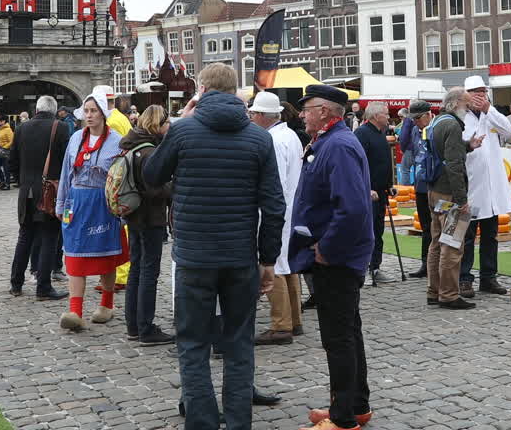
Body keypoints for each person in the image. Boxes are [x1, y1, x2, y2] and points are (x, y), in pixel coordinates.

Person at [143, 63, 284, 430]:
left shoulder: (183, 131)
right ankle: (238, 423)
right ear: (236, 92)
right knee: (239, 345)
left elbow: (152, 175)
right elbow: (273, 206)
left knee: (193, 344)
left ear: (201, 91)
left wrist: (174, 126)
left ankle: (203, 422)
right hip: (240, 257)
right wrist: (267, 259)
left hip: (194, 255)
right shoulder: (259, 138)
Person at [288, 85, 374, 430]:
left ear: (324, 111)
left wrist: (327, 248)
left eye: (307, 108)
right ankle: (355, 405)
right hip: (338, 255)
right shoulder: (330, 141)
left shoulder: (337, 145)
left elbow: (351, 208)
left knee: (338, 338)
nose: (303, 114)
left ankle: (343, 419)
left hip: (337, 259)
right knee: (348, 332)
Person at [55, 92, 127, 331]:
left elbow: (122, 178)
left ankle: (106, 305)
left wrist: (122, 210)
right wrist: (60, 203)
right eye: (86, 111)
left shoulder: (116, 141)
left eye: (94, 111)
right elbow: (66, 173)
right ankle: (75, 311)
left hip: (103, 204)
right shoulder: (76, 138)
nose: (89, 115)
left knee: (105, 257)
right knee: (74, 254)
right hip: (76, 202)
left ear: (103, 114)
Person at [117, 105, 176, 345]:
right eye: (166, 123)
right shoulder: (150, 151)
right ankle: (146, 328)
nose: (168, 126)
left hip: (133, 215)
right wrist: (173, 185)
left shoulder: (130, 144)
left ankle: (133, 325)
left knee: (136, 269)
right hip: (149, 217)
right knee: (149, 272)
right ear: (157, 124)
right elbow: (154, 190)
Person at [249, 92, 305, 345]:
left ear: (261, 116)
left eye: (253, 114)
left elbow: (276, 181)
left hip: (276, 209)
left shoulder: (272, 140)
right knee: (288, 262)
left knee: (274, 264)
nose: (250, 117)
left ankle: (280, 324)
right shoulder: (289, 135)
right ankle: (294, 319)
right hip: (291, 207)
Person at [425, 87, 482, 310]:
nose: (468, 110)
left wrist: (468, 146)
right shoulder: (452, 125)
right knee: (452, 245)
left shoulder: (437, 122)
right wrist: (462, 199)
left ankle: (434, 290)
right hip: (449, 192)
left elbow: (443, 153)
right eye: (467, 106)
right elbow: (454, 165)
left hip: (434, 191)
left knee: (437, 242)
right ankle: (449, 294)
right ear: (457, 102)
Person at [8, 95, 68, 301]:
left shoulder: (21, 128)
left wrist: (23, 181)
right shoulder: (59, 128)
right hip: (49, 191)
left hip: (26, 192)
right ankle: (43, 286)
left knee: (25, 236)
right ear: (54, 110)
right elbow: (65, 162)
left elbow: (12, 161)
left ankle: (16, 283)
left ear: (37, 109)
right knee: (49, 238)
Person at [459, 76, 511, 297]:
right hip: (471, 184)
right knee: (467, 235)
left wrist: (489, 108)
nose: (479, 96)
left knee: (490, 235)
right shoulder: (460, 116)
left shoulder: (491, 115)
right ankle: (464, 278)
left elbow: (508, 130)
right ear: (466, 95)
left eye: (483, 92)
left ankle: (488, 277)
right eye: (475, 92)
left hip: (492, 188)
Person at [355, 102, 396, 286]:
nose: (388, 117)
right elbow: (358, 164)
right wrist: (366, 187)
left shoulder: (380, 133)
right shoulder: (362, 134)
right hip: (368, 193)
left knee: (378, 230)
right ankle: (361, 267)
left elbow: (384, 162)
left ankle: (376, 266)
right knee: (366, 231)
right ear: (375, 116)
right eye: (386, 114)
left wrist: (389, 185)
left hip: (381, 192)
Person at [403, 100, 434, 278]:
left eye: (417, 118)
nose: (415, 121)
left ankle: (438, 263)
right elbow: (404, 144)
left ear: (428, 115)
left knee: (438, 226)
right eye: (412, 118)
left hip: (436, 185)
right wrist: (407, 122)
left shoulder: (437, 128)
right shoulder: (415, 129)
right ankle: (425, 263)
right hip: (421, 184)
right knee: (425, 227)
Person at [0, 115, 14, 192]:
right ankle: (2, 181)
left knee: (6, 169)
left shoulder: (8, 130)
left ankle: (7, 184)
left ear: (3, 121)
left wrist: (5, 147)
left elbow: (11, 141)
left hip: (5, 152)